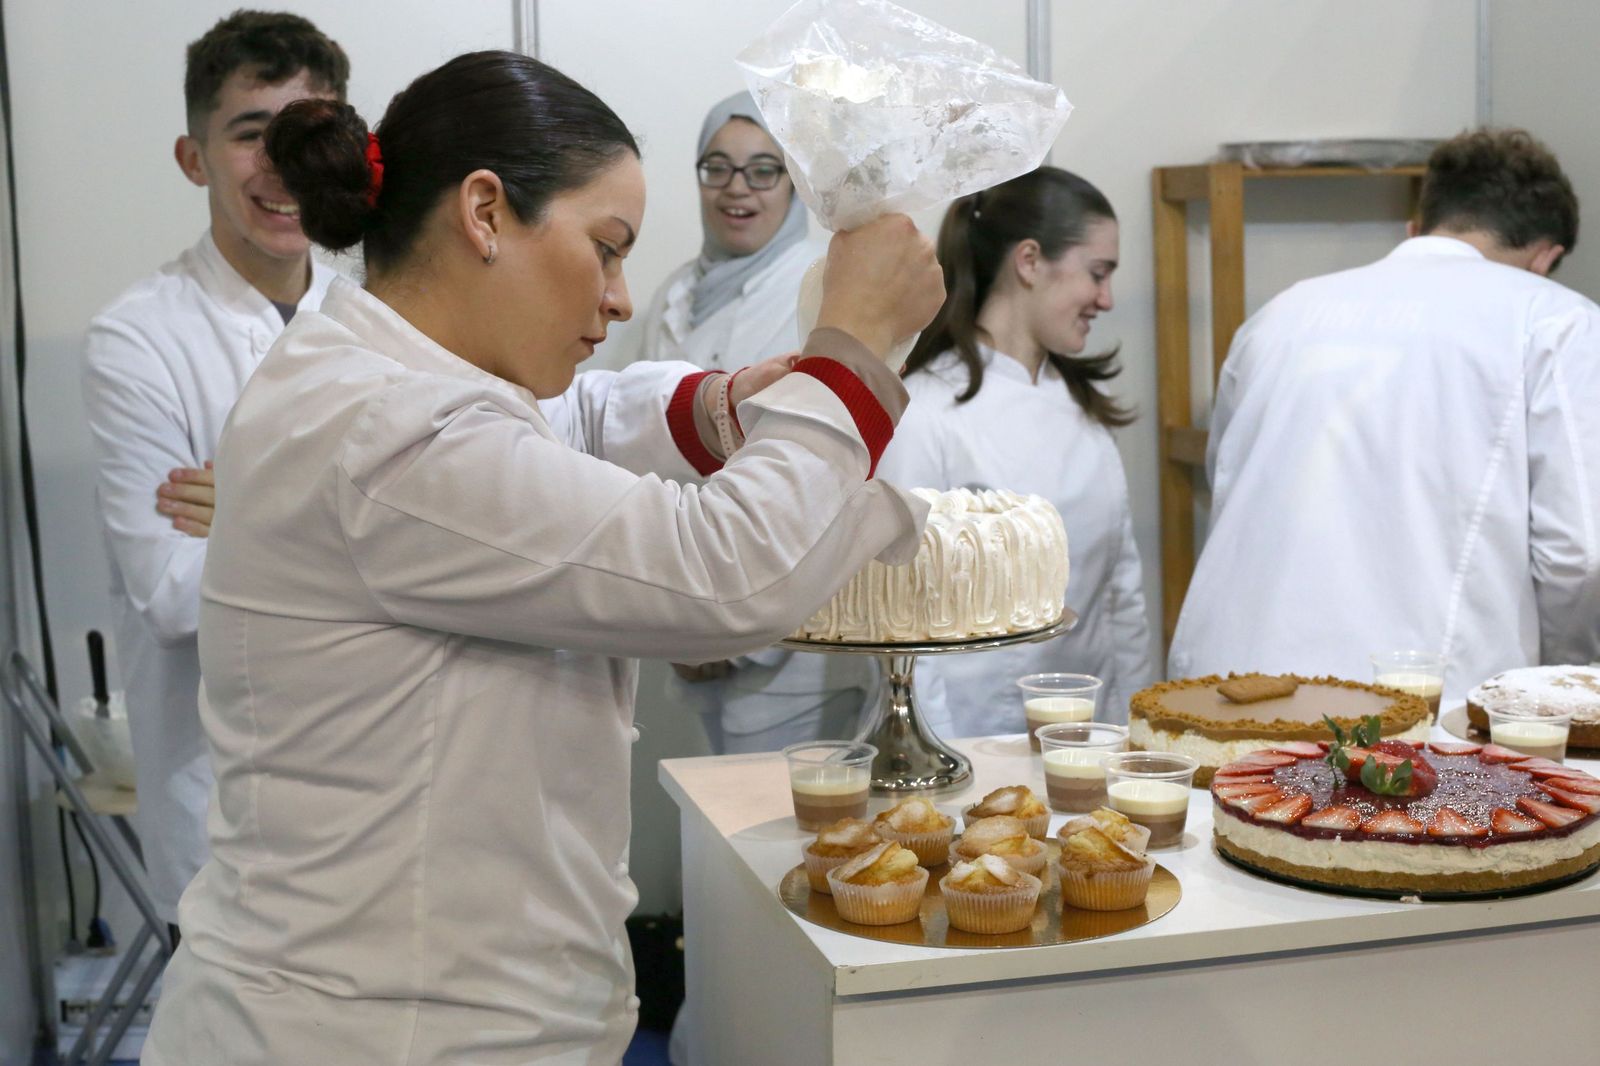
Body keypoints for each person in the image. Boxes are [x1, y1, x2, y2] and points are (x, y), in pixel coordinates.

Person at [140, 50, 941, 1065]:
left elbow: (581, 418)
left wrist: (731, 401)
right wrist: (851, 347)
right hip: (380, 1028)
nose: (616, 297)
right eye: (605, 249)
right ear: (484, 212)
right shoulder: (390, 432)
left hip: (431, 1006)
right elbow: (724, 574)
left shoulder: (392, 371)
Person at [79, 10, 348, 942]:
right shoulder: (138, 340)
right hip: (228, 803)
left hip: (378, 779)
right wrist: (367, 521)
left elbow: (459, 525)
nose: (281, 166)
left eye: (308, 135)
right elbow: (172, 594)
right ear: (194, 158)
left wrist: (258, 514)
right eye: (249, 134)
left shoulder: (381, 313)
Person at [1168, 128, 1600, 694]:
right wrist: (1565, 682)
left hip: (1229, 683)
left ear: (1416, 229)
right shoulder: (1554, 320)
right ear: (1547, 258)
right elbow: (1581, 554)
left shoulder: (1280, 315)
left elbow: (1226, 479)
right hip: (1413, 703)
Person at [623, 91, 874, 754]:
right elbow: (651, 456)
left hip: (795, 645)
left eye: (764, 169)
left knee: (787, 840)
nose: (738, 190)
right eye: (718, 167)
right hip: (686, 614)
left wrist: (736, 639)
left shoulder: (822, 289)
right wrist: (687, 628)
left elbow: (828, 469)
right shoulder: (673, 295)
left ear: (794, 183)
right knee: (712, 841)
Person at [875, 167, 1157, 731]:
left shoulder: (1082, 410)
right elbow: (901, 617)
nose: (1106, 299)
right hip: (970, 734)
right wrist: (940, 758)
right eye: (1097, 273)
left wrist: (1137, 731)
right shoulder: (927, 413)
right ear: (1029, 262)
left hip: (1088, 733)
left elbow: (1120, 594)